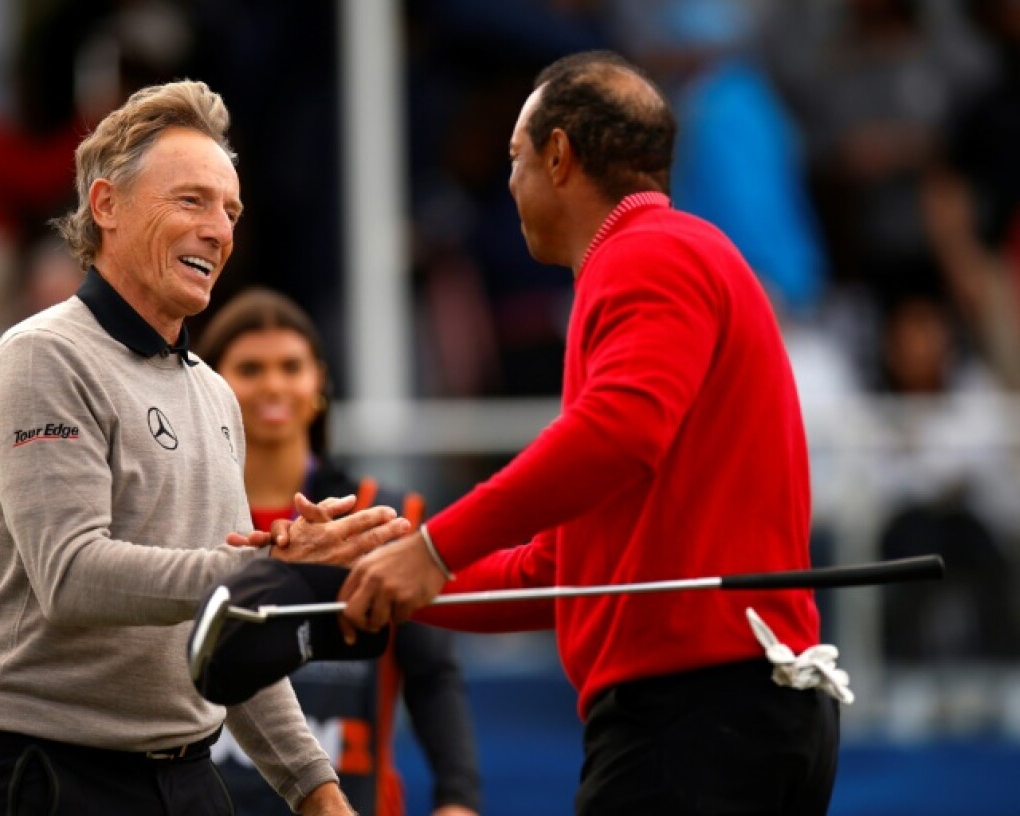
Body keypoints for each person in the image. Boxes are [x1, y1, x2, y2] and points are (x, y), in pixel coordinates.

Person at [337, 51, 842, 815]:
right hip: (732, 712)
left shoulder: (647, 252)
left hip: (695, 714)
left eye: (516, 159)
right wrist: (387, 575)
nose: (509, 184)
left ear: (559, 155)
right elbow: (560, 572)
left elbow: (619, 430)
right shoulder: (672, 254)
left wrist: (433, 547)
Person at [0, 80, 409, 815]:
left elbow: (224, 627)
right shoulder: (42, 357)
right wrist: (269, 569)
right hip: (39, 775)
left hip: (184, 780)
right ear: (106, 206)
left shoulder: (215, 394)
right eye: (191, 200)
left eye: (230, 210)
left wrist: (316, 789)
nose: (219, 229)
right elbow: (71, 575)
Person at [196, 288, 482, 816]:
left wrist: (458, 798)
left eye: (290, 366)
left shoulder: (381, 517)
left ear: (319, 382)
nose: (274, 384)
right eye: (251, 369)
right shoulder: (187, 515)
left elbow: (433, 673)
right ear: (211, 385)